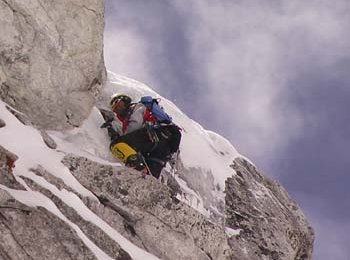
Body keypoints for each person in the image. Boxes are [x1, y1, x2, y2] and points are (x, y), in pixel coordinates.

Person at [102, 93, 181, 179]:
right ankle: (143, 173)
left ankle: (138, 166)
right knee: (149, 178)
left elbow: (135, 126)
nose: (117, 108)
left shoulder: (136, 107)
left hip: (153, 136)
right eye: (114, 107)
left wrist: (116, 135)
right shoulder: (128, 119)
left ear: (125, 101)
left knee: (116, 145)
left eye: (118, 103)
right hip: (163, 149)